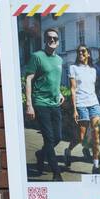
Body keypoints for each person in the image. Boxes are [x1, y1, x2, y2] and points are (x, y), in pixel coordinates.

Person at [23, 28, 66, 180]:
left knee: (58, 137)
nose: (52, 40)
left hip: (55, 103)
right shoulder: (37, 56)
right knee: (48, 138)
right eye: (49, 37)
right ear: (45, 39)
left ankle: (41, 154)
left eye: (55, 38)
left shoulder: (60, 60)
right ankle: (56, 173)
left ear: (58, 42)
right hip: (41, 103)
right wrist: (29, 104)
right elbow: (28, 79)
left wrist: (59, 92)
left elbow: (54, 79)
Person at [67, 45, 100, 172]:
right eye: (78, 51)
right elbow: (73, 89)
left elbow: (96, 87)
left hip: (94, 104)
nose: (80, 53)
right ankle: (68, 150)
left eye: (83, 51)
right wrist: (75, 109)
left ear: (88, 54)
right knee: (81, 137)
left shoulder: (93, 70)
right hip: (81, 104)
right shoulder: (73, 68)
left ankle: (96, 165)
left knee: (96, 134)